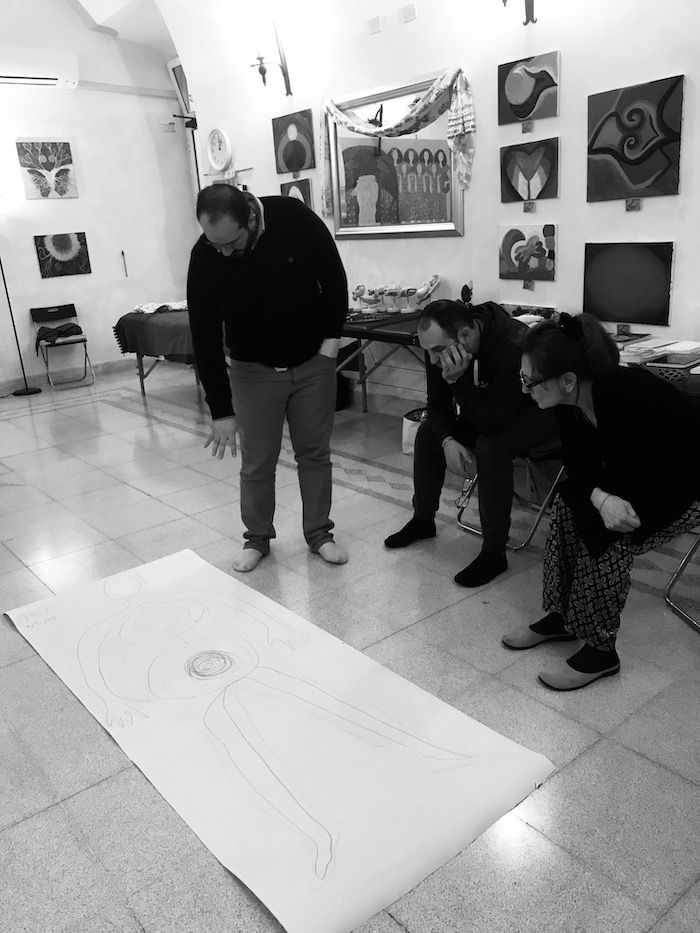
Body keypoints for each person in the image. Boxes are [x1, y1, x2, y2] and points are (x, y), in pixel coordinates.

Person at [502, 313, 700, 689]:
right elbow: (577, 462)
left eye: (530, 381)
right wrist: (597, 494)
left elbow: (629, 477)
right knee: (569, 502)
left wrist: (601, 496)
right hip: (638, 477)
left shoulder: (624, 393)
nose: (525, 390)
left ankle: (600, 651)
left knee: (609, 530)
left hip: (686, 482)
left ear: (567, 380)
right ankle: (562, 617)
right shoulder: (568, 399)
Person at [187, 183, 349, 572]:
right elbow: (203, 334)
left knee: (314, 454)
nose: (224, 252)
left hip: (312, 364)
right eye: (215, 244)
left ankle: (319, 534)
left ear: (250, 217)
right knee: (258, 462)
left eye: (232, 242)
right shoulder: (205, 255)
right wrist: (220, 409)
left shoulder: (294, 218)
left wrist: (330, 345)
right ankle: (257, 538)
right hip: (252, 372)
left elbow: (334, 279)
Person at [384, 300, 559, 586]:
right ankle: (423, 520)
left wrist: (456, 381)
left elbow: (493, 424)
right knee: (428, 432)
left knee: (491, 446)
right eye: (427, 350)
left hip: (537, 412)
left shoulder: (510, 344)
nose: (433, 359)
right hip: (489, 409)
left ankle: (494, 552)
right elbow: (436, 404)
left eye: (437, 350)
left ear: (465, 335)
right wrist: (447, 440)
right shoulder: (439, 348)